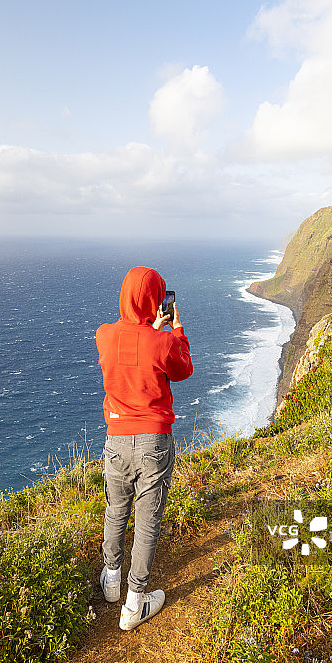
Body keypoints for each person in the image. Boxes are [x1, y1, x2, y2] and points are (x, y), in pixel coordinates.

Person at [96, 266, 193, 631]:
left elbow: (130, 352)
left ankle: (111, 580)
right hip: (153, 441)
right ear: (155, 301)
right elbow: (183, 369)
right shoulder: (162, 342)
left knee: (116, 509)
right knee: (147, 520)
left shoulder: (104, 336)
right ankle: (134, 603)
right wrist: (175, 330)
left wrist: (150, 327)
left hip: (116, 440)